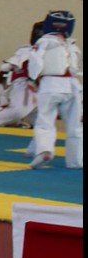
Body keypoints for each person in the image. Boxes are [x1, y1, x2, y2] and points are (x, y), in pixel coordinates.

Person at [27, 10, 82, 170]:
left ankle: (44, 150)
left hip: (50, 84)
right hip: (72, 85)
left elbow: (35, 62)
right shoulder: (72, 45)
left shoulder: (43, 42)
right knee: (75, 125)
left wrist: (33, 77)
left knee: (45, 121)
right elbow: (75, 68)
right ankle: (76, 161)